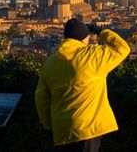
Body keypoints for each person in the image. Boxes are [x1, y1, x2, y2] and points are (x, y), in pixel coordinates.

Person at [35, 18, 131, 152]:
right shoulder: (92, 57)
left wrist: (49, 125)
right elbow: (122, 48)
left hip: (61, 129)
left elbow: (41, 99)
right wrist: (100, 31)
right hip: (87, 128)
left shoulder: (50, 63)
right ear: (83, 39)